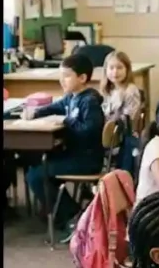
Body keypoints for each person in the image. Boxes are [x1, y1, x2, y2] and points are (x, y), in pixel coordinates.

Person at [22, 53, 106, 235]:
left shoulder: (89, 101)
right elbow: (56, 106)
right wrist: (36, 113)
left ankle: (72, 215)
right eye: (61, 76)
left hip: (86, 159)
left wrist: (68, 122)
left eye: (67, 76)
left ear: (82, 78)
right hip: (75, 154)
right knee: (34, 160)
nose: (62, 81)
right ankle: (54, 207)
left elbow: (90, 130)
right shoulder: (72, 97)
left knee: (36, 175)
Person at [99, 51, 143, 126]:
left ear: (127, 70)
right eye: (111, 68)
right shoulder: (107, 89)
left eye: (119, 68)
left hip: (122, 132)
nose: (115, 72)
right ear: (106, 70)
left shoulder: (131, 91)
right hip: (106, 130)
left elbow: (129, 119)